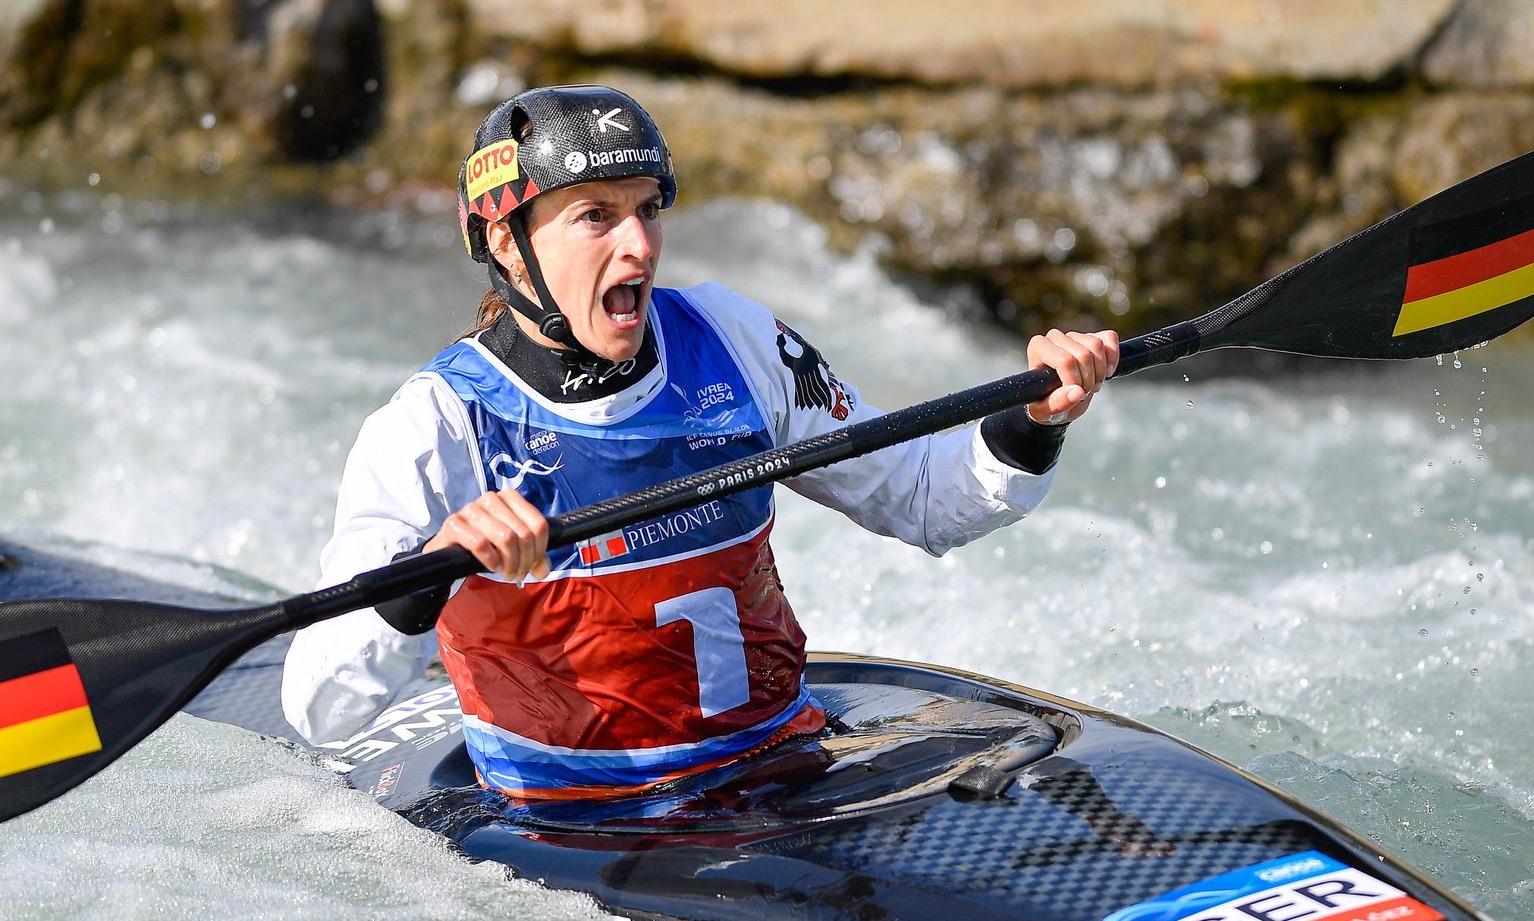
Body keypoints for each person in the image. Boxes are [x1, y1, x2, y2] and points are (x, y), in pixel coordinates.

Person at [280, 84, 1118, 799]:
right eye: (596, 217)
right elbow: (319, 705)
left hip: (784, 767)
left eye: (647, 210)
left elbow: (928, 498)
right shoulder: (435, 425)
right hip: (582, 820)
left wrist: (1033, 420)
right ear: (507, 242)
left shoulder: (732, 336)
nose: (638, 245)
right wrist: (431, 568)